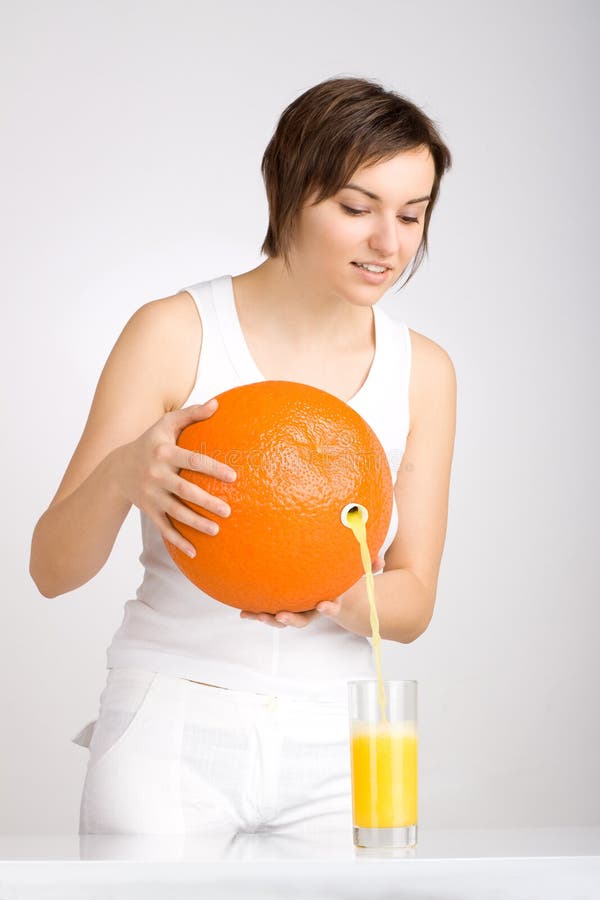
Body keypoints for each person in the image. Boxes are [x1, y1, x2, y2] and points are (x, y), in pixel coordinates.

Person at [29, 75, 456, 840]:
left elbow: (415, 597)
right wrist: (127, 474)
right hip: (171, 725)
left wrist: (331, 596)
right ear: (286, 193)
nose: (388, 244)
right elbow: (51, 569)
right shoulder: (173, 333)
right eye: (356, 209)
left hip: (341, 738)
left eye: (411, 215)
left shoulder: (423, 369)